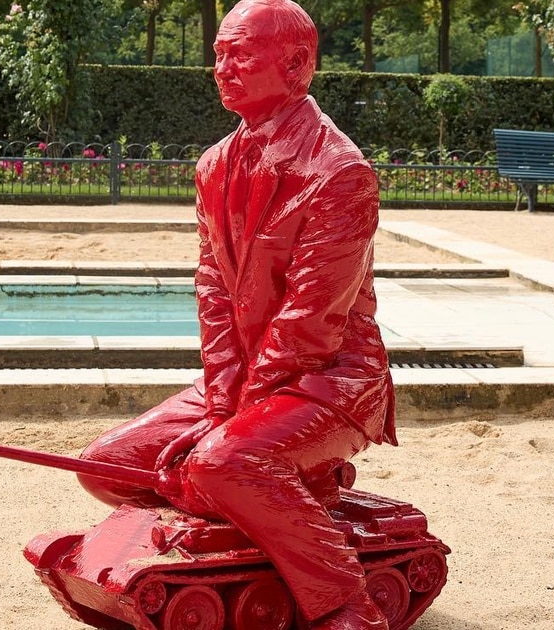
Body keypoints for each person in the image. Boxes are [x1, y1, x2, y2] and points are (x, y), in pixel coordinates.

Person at [76, 1, 396, 628]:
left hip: (328, 381)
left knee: (222, 461)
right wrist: (222, 405)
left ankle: (345, 602)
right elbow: (214, 290)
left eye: (240, 54)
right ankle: (275, 505)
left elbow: (311, 321)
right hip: (243, 384)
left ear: (296, 64)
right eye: (219, 54)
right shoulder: (215, 164)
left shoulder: (340, 173)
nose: (222, 68)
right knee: (106, 467)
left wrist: (228, 428)